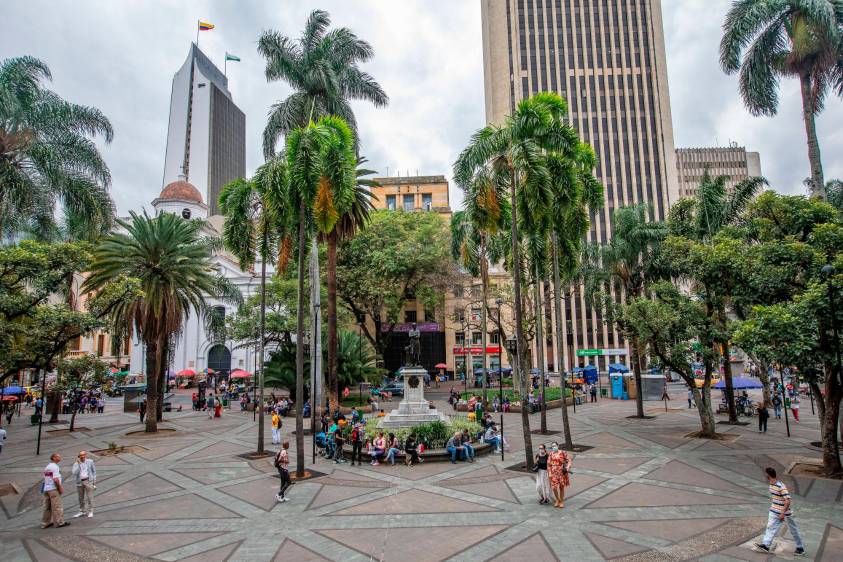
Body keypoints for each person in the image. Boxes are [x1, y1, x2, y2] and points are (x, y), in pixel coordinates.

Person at [754, 467, 805, 556]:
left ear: (768, 475)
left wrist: (782, 513)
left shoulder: (781, 486)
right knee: (770, 527)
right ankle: (766, 545)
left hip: (784, 512)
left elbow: (788, 501)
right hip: (774, 510)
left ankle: (800, 548)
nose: (764, 475)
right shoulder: (771, 484)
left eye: (765, 473)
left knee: (793, 530)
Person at [41, 453, 69, 528]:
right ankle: (59, 522)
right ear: (54, 458)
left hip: (46, 489)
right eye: (58, 457)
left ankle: (45, 523)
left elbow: (47, 478)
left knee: (47, 507)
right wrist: (60, 488)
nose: (60, 458)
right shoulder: (55, 467)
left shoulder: (48, 467)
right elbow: (56, 479)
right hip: (53, 489)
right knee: (57, 506)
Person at [71, 451, 96, 518]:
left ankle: (91, 511)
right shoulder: (76, 464)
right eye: (81, 455)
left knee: (90, 497)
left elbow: (94, 471)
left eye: (83, 455)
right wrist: (79, 465)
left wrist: (94, 481)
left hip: (88, 481)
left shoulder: (90, 461)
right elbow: (74, 473)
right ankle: (82, 511)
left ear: (86, 455)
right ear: (78, 456)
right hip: (79, 482)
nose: (82, 456)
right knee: (80, 498)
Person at [547, 442, 572, 509]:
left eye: (555, 445)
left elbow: (569, 460)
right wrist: (549, 472)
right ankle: (557, 499)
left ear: (558, 446)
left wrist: (568, 467)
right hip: (554, 473)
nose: (554, 447)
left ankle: (561, 501)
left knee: (561, 487)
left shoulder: (563, 452)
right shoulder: (551, 454)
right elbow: (549, 464)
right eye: (552, 446)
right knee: (554, 488)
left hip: (561, 473)